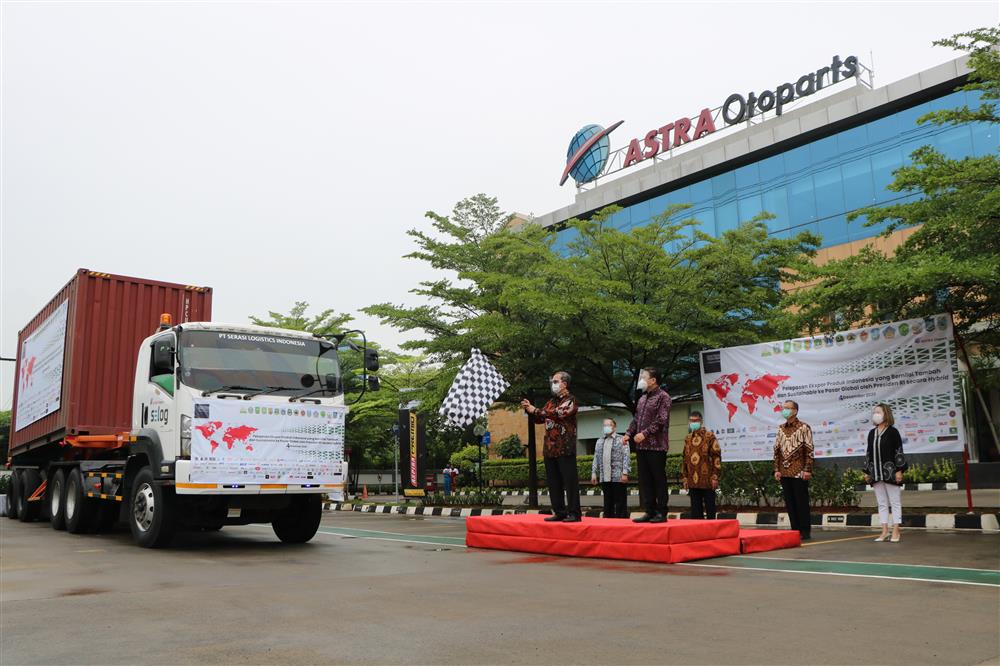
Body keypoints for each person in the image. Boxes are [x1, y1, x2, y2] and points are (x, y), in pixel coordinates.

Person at [521, 371, 581, 522]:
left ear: (564, 384)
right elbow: (540, 418)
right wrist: (529, 409)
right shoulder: (550, 402)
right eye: (552, 382)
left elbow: (558, 413)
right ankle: (559, 511)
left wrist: (536, 410)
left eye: (555, 381)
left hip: (565, 447)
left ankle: (574, 513)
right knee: (554, 482)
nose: (552, 384)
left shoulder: (571, 400)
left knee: (570, 482)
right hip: (550, 449)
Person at [624, 367, 672, 523]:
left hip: (656, 446)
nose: (641, 381)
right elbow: (636, 419)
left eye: (644, 377)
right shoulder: (642, 398)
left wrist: (644, 433)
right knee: (645, 480)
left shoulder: (663, 397)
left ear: (653, 380)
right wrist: (628, 433)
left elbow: (661, 420)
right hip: (641, 447)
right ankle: (649, 511)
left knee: (658, 479)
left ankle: (661, 512)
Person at [863, 403, 907, 542]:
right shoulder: (872, 433)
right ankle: (884, 531)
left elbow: (898, 452)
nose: (876, 414)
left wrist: (899, 470)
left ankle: (896, 530)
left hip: (890, 472)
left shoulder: (893, 432)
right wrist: (867, 471)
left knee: (894, 502)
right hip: (875, 473)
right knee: (881, 503)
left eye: (878, 412)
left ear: (886, 414)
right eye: (874, 412)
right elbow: (868, 453)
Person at [773, 400, 814, 540]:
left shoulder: (804, 427)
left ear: (795, 411)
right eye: (783, 408)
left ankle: (805, 531)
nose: (784, 410)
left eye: (788, 408)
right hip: (784, 472)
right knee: (790, 503)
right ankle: (795, 530)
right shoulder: (780, 428)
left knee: (801, 502)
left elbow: (809, 450)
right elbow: (777, 450)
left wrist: (808, 469)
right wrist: (776, 469)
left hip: (799, 471)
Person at [682, 411, 722, 519]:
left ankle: (712, 531)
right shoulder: (688, 438)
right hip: (692, 479)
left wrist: (715, 476)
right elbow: (685, 458)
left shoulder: (709, 436)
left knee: (710, 508)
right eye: (691, 421)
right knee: (695, 510)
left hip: (707, 478)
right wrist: (685, 477)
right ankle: (698, 533)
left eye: (696, 421)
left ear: (701, 421)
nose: (693, 423)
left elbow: (716, 457)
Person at [590, 418, 631, 518]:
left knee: (620, 504)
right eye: (605, 425)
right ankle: (608, 524)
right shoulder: (599, 441)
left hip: (618, 477)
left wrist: (625, 473)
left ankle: (622, 525)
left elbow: (626, 456)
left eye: (609, 425)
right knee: (608, 504)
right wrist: (594, 473)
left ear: (615, 427)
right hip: (605, 477)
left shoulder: (622, 439)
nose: (607, 427)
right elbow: (596, 457)